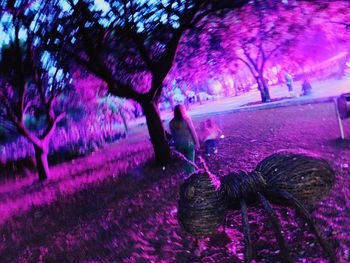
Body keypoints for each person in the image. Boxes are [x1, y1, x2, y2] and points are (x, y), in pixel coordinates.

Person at [169, 104, 199, 174]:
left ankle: (188, 177)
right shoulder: (187, 119)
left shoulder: (171, 123)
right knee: (191, 162)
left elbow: (173, 135)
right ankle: (193, 176)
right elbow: (193, 132)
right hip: (189, 144)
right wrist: (197, 143)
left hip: (179, 145)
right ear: (183, 111)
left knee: (184, 162)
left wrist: (173, 144)